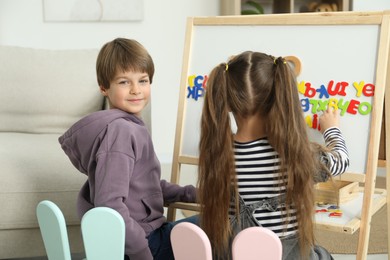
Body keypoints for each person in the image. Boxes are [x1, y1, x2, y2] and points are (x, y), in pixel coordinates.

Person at [197, 51, 349, 260]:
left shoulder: (217, 153)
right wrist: (332, 129)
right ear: (278, 99)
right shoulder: (293, 154)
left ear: (229, 101)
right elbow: (341, 160)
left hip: (234, 254)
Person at [59, 38, 198, 260]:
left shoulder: (126, 128)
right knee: (220, 224)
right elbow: (110, 205)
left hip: (138, 239)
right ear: (104, 87)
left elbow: (143, 188)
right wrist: (142, 253)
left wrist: (190, 194)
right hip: (143, 245)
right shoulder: (122, 132)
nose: (136, 90)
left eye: (143, 80)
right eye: (124, 82)